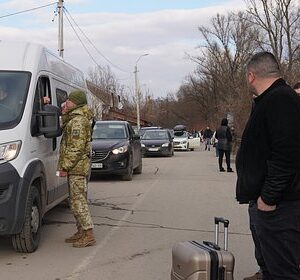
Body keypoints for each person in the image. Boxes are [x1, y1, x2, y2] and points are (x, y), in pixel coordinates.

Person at [236, 52, 300, 280]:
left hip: (280, 207)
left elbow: (288, 155)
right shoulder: (269, 100)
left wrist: (268, 199)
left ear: (251, 75)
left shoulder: (281, 100)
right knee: (270, 268)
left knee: (282, 272)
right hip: (268, 205)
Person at [57, 90, 96, 248]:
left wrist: (65, 166)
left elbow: (76, 148)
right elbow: (63, 124)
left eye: (70, 100)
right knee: (75, 201)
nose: (67, 102)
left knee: (78, 202)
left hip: (77, 168)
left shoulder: (79, 121)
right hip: (76, 167)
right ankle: (81, 231)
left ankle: (88, 233)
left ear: (77, 102)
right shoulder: (74, 118)